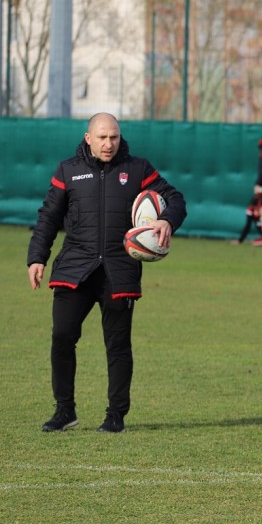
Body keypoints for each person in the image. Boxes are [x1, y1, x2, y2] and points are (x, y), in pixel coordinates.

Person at [27, 112, 187, 433]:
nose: (108, 144)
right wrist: (36, 258)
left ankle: (116, 416)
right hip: (75, 268)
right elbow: (48, 217)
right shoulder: (68, 170)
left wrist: (167, 219)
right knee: (62, 337)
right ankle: (64, 411)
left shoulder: (138, 169)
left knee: (117, 346)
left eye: (114, 137)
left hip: (119, 269)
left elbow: (176, 199)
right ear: (89, 138)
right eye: (102, 137)